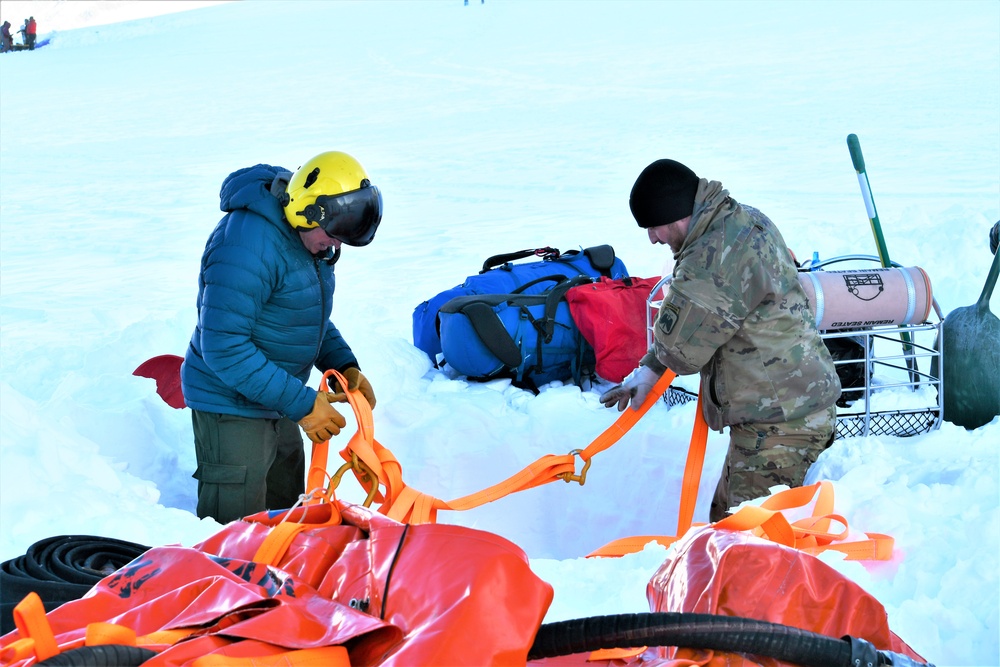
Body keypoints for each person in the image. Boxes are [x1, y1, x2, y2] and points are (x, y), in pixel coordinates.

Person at [601, 159, 841, 522]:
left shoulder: (713, 255)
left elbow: (681, 351)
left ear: (676, 215)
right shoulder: (739, 220)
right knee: (727, 527)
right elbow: (703, 324)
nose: (652, 238)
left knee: (748, 545)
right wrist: (648, 372)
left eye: (653, 226)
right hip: (787, 412)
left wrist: (657, 357)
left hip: (780, 425)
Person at [180, 151, 382, 524]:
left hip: (276, 395)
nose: (335, 246)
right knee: (237, 530)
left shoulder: (310, 240)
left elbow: (298, 315)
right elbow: (225, 348)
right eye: (333, 236)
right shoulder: (246, 247)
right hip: (231, 404)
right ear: (307, 212)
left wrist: (344, 363)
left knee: (286, 513)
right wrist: (304, 404)